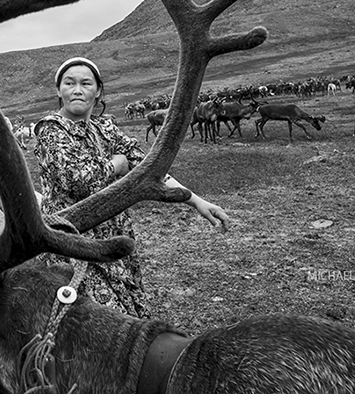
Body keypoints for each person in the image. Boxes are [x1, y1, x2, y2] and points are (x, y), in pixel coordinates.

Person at [32, 57, 229, 318]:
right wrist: (115, 164)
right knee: (96, 325)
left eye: (85, 83)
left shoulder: (106, 129)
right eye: (69, 83)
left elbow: (150, 169)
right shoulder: (51, 130)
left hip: (113, 241)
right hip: (70, 245)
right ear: (59, 90)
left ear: (98, 90)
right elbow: (76, 179)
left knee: (130, 318)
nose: (77, 89)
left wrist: (196, 201)